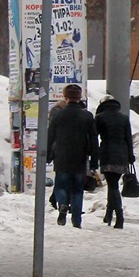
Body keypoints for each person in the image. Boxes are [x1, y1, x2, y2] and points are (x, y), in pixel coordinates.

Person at [48, 84, 97, 228]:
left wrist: (47, 155)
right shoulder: (87, 116)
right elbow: (93, 140)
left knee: (61, 186)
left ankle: (63, 204)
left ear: (65, 96)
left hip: (61, 156)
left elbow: (50, 136)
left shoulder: (58, 115)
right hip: (80, 158)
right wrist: (94, 161)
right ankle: (77, 221)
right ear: (79, 97)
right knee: (77, 190)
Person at [95, 95, 135, 229]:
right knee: (113, 184)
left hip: (107, 153)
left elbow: (94, 136)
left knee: (112, 186)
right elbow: (128, 138)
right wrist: (130, 155)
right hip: (122, 155)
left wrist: (93, 154)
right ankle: (109, 213)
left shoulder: (100, 118)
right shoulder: (124, 118)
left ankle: (119, 216)